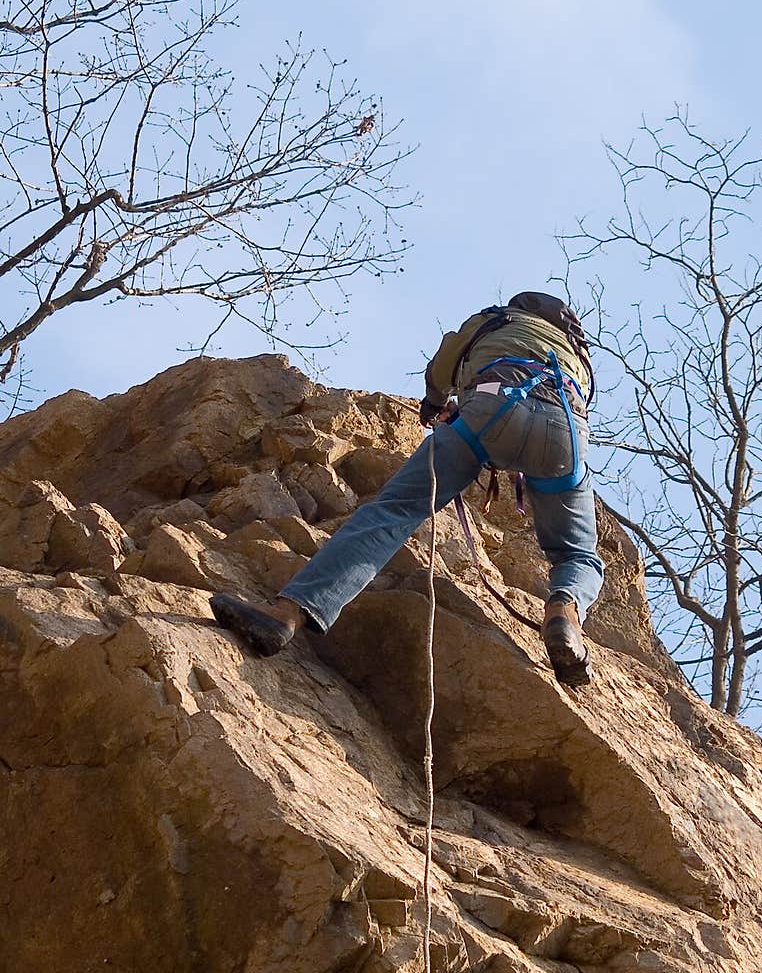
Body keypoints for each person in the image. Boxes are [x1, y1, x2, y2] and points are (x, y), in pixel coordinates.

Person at [210, 291, 604, 685]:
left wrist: (436, 404)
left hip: (488, 410)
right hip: (566, 434)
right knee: (577, 554)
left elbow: (441, 370)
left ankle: (286, 615)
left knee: (392, 513)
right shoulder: (578, 361)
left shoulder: (496, 320)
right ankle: (564, 612)